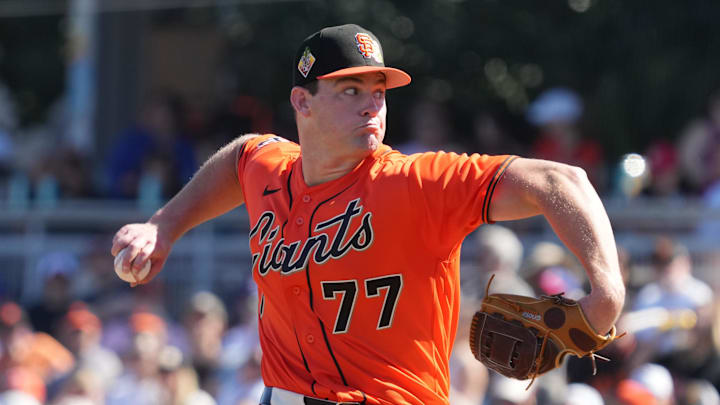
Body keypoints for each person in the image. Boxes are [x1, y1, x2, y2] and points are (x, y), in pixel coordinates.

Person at [111, 24, 625, 405]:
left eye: (378, 93)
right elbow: (242, 153)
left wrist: (607, 289)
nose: (371, 106)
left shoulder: (415, 182)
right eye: (351, 91)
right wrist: (165, 224)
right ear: (302, 102)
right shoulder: (267, 169)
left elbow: (561, 181)